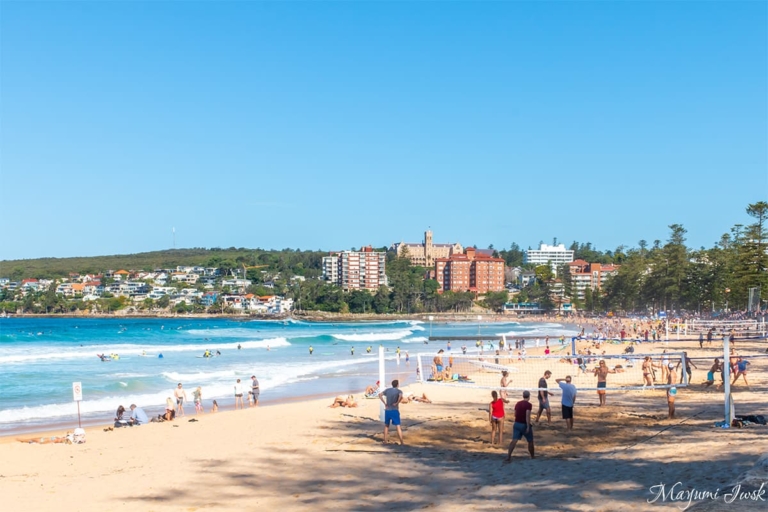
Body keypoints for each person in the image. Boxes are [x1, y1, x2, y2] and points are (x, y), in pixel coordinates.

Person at [504, 391, 534, 463]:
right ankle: (532, 456)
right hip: (523, 424)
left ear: (523, 396)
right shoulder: (529, 405)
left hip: (517, 423)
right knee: (530, 441)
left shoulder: (518, 403)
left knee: (514, 440)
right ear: (529, 396)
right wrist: (528, 426)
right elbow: (527, 416)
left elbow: (515, 414)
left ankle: (508, 456)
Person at [379, 379, 404, 445]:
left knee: (386, 425)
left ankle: (385, 441)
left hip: (388, 410)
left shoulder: (387, 390)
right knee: (398, 426)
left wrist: (384, 403)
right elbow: (401, 396)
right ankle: (401, 442)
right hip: (394, 410)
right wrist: (397, 403)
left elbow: (380, 395)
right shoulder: (399, 391)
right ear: (397, 385)